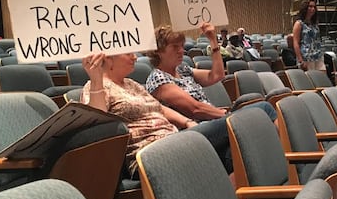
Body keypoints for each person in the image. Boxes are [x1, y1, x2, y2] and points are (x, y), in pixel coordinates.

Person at [80, 51, 233, 177]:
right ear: (108, 58)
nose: (135, 57)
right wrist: (96, 80)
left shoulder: (131, 84)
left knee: (232, 151)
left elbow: (159, 108)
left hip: (173, 139)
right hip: (149, 152)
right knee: (235, 123)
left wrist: (188, 123)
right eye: (128, 54)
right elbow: (98, 126)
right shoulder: (95, 88)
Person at [145, 23, 277, 123]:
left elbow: (217, 75)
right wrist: (226, 115)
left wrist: (213, 40)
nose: (181, 51)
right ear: (158, 51)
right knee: (263, 109)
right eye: (175, 47)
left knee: (261, 113)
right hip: (197, 128)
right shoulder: (158, 78)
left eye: (182, 46)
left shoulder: (183, 70)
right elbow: (195, 109)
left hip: (213, 120)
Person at [292, 0, 324, 71]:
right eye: (310, 6)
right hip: (306, 57)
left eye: (314, 7)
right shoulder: (299, 24)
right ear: (305, 8)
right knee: (311, 80)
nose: (313, 9)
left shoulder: (315, 24)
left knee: (322, 79)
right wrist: (301, 60)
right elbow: (296, 43)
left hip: (318, 55)